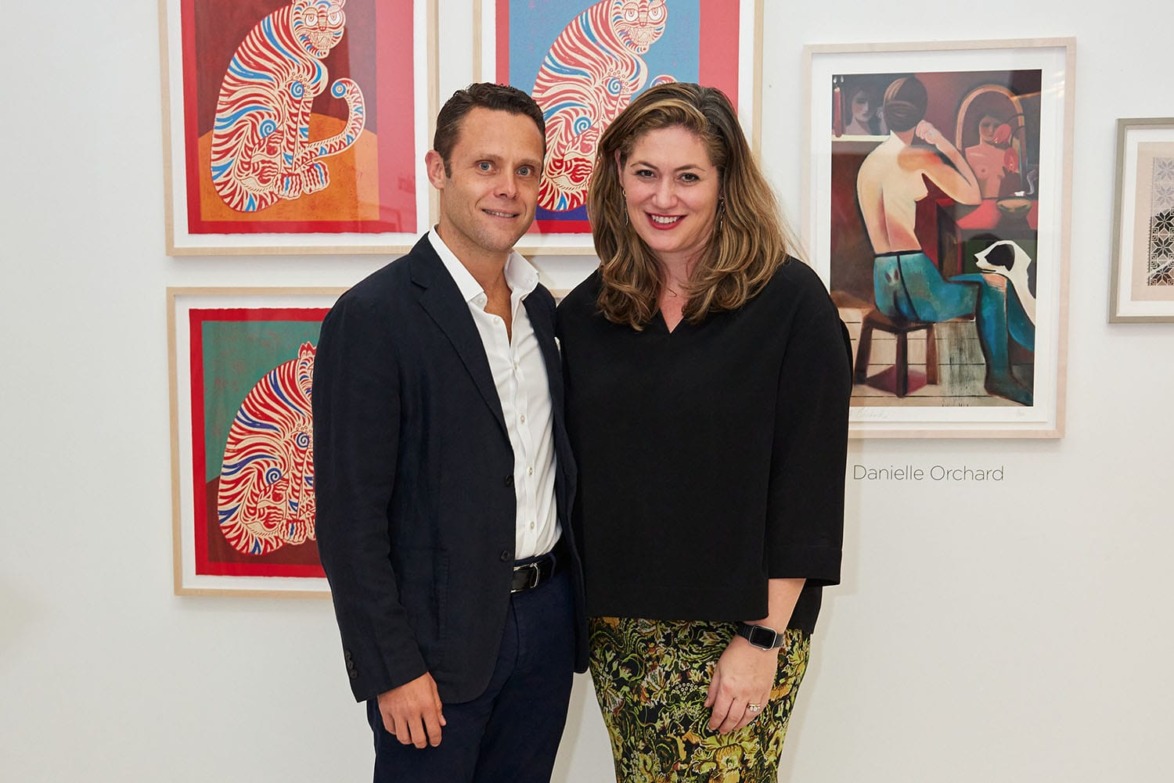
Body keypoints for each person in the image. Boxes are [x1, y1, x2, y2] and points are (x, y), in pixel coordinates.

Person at [556, 82, 852, 782]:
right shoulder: (587, 315)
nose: (664, 197)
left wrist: (761, 638)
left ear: (724, 183)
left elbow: (806, 492)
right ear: (618, 175)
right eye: (646, 173)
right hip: (623, 636)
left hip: (743, 630)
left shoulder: (792, 305)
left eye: (688, 176)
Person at [312, 83, 586, 783]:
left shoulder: (543, 310)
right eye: (485, 165)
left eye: (525, 169)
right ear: (438, 170)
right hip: (433, 649)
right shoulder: (372, 318)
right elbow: (348, 518)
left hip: (545, 627)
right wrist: (392, 667)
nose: (508, 188)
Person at [856, 75, 1032, 405]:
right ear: (920, 113)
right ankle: (1001, 374)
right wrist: (942, 143)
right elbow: (972, 194)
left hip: (885, 288)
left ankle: (1027, 344)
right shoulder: (916, 157)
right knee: (996, 284)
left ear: (886, 111)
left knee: (990, 284)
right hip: (916, 288)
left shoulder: (870, 162)